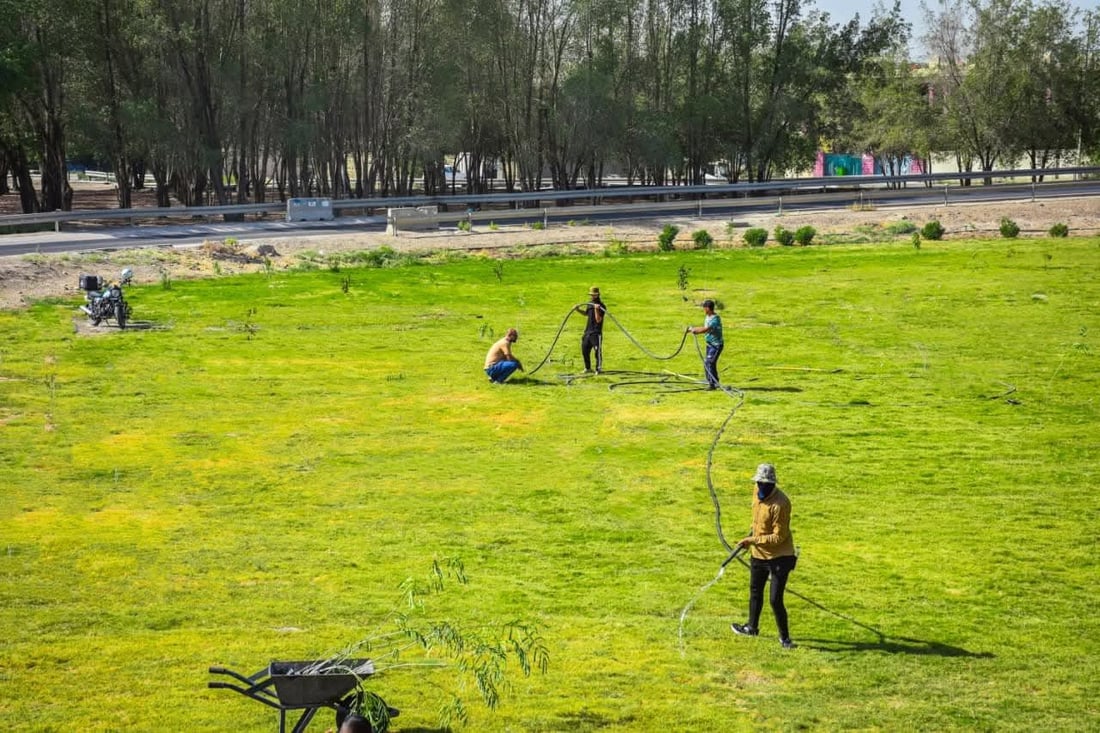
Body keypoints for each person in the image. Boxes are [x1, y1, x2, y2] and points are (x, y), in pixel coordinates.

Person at [730, 463, 798, 649]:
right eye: (759, 482)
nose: (761, 487)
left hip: (780, 557)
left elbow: (778, 537)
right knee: (755, 591)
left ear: (772, 484)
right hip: (758, 554)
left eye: (765, 484)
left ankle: (785, 639)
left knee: (775, 599)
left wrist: (753, 540)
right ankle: (751, 627)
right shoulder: (756, 491)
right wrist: (752, 537)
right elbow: (757, 519)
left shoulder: (781, 504)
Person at [686, 299, 723, 389]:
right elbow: (704, 327)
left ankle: (712, 384)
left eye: (704, 308)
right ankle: (713, 381)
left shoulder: (715, 319)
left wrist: (696, 331)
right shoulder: (708, 317)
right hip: (709, 344)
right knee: (709, 363)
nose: (703, 309)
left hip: (716, 345)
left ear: (708, 308)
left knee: (709, 362)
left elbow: (706, 329)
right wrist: (692, 329)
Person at [574, 286, 606, 373]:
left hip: (596, 332)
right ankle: (587, 368)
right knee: (585, 350)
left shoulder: (602, 306)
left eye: (594, 295)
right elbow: (586, 314)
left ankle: (598, 369)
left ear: (598, 295)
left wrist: (596, 309)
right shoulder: (589, 304)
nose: (592, 296)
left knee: (597, 351)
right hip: (588, 331)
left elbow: (598, 319)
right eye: (591, 295)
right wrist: (578, 310)